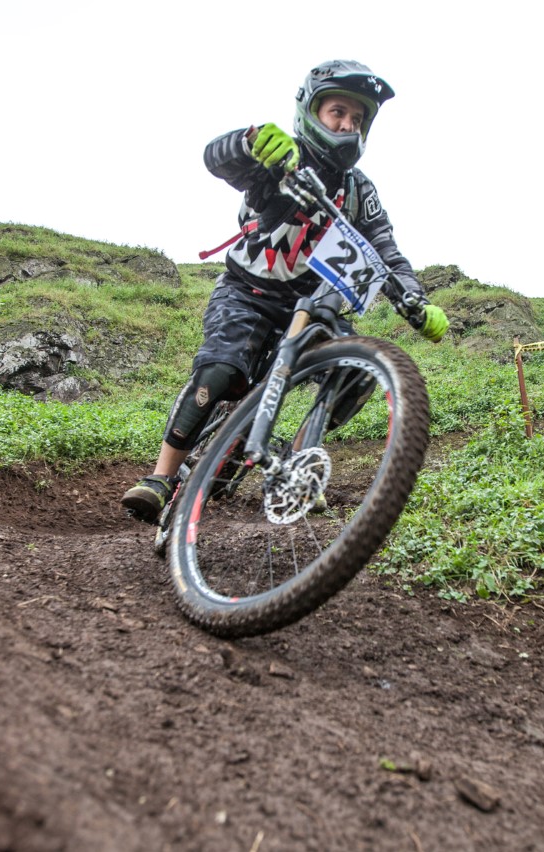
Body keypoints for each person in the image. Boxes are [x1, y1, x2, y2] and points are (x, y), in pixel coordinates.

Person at [121, 59, 448, 524]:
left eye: (357, 118)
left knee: (355, 371)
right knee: (220, 371)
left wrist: (416, 299)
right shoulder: (281, 159)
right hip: (246, 293)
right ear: (311, 113)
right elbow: (218, 158)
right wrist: (252, 141)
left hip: (310, 309)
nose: (348, 125)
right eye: (338, 112)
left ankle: (299, 463)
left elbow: (384, 250)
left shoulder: (359, 191)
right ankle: (161, 476)